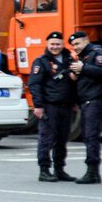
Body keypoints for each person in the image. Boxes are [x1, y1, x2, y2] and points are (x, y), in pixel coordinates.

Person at [28, 31, 78, 182]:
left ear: (63, 45)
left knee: (62, 139)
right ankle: (44, 170)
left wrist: (75, 101)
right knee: (47, 139)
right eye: (52, 44)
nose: (55, 47)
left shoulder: (69, 60)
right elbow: (34, 84)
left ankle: (59, 169)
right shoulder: (41, 62)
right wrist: (38, 106)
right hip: (50, 106)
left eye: (58, 44)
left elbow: (75, 84)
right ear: (47, 45)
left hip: (66, 106)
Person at [68, 30, 102, 184]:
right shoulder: (82, 57)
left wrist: (83, 68)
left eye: (78, 43)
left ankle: (92, 171)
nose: (76, 47)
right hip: (86, 100)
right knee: (88, 135)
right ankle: (93, 171)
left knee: (91, 135)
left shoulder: (97, 53)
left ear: (86, 41)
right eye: (73, 45)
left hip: (96, 99)